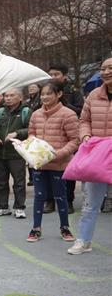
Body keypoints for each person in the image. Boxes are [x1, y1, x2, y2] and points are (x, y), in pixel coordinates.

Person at [68, 56, 112, 255]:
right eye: (103, 68)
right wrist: (85, 135)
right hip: (98, 155)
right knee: (90, 202)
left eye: (110, 68)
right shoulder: (93, 95)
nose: (106, 72)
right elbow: (83, 119)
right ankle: (83, 241)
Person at [25, 82, 80, 243]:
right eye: (42, 94)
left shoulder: (68, 114)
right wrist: (28, 151)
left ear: (59, 94)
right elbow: (31, 136)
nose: (44, 97)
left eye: (49, 94)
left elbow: (75, 140)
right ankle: (36, 229)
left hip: (59, 164)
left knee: (60, 196)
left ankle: (65, 227)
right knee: (39, 196)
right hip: (39, 164)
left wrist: (59, 154)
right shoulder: (36, 114)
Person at [0, 88, 31, 219]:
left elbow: (31, 128)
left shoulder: (26, 111)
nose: (8, 98)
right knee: (0, 182)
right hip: (0, 153)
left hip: (17, 153)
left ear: (20, 98)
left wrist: (18, 133)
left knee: (19, 182)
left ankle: (19, 207)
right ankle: (2, 207)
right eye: (6, 95)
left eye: (12, 95)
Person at [48, 63, 83, 211]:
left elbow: (80, 110)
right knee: (47, 168)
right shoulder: (47, 90)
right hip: (49, 134)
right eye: (51, 74)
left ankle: (68, 200)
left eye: (56, 74)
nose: (53, 77)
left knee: (68, 169)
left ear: (64, 76)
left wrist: (64, 104)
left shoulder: (74, 90)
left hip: (67, 135)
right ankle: (50, 200)